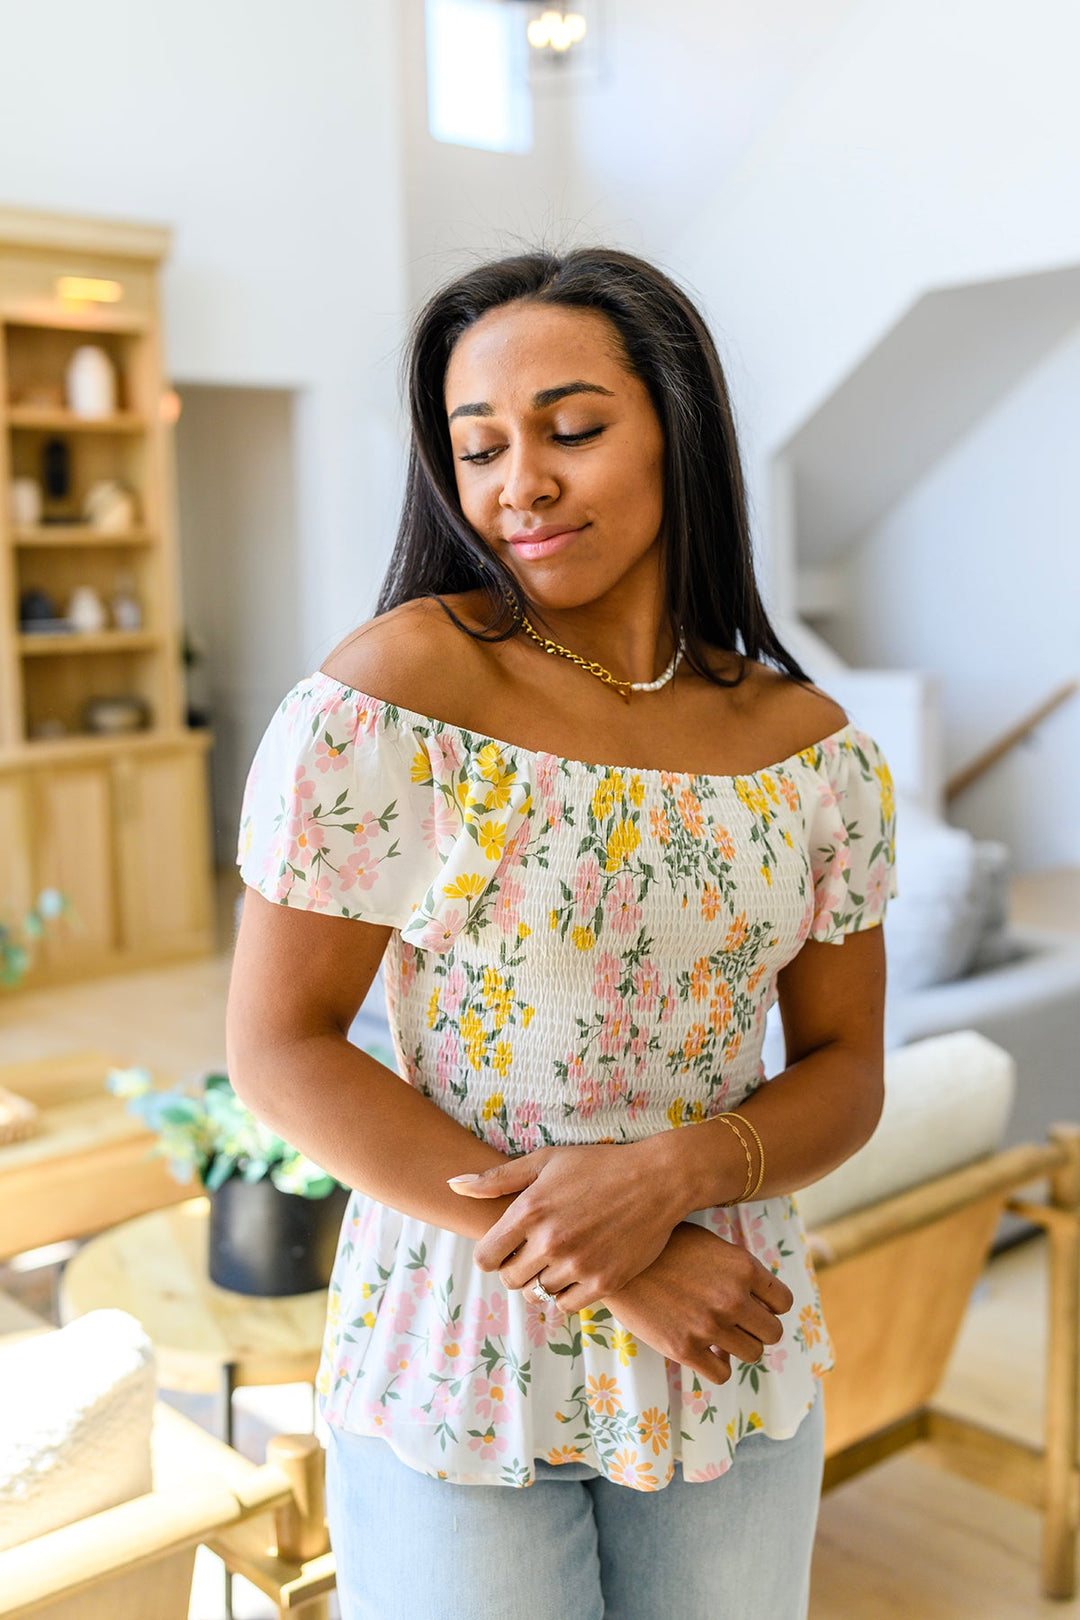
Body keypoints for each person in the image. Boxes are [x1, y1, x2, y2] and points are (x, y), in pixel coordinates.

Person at [227, 246, 898, 1620]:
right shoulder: (395, 695)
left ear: (677, 428)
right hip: (459, 1346)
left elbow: (846, 1069)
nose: (517, 483)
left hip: (727, 1340)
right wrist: (619, 1250)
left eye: (571, 430)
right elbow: (282, 1049)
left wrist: (673, 1180)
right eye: (478, 449)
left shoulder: (810, 750)